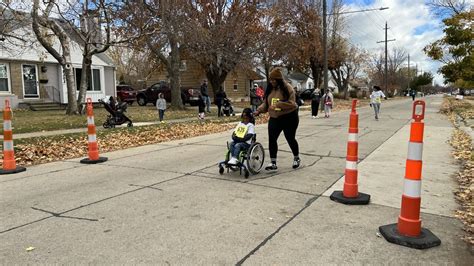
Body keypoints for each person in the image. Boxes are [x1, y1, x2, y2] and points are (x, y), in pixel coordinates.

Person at [254, 68, 300, 171]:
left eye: (274, 80)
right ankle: (273, 162)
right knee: (272, 139)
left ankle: (296, 158)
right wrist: (259, 110)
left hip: (289, 117)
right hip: (275, 117)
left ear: (279, 79)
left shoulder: (288, 88)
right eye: (271, 79)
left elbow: (292, 104)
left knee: (290, 138)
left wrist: (278, 105)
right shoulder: (270, 88)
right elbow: (266, 103)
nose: (272, 81)